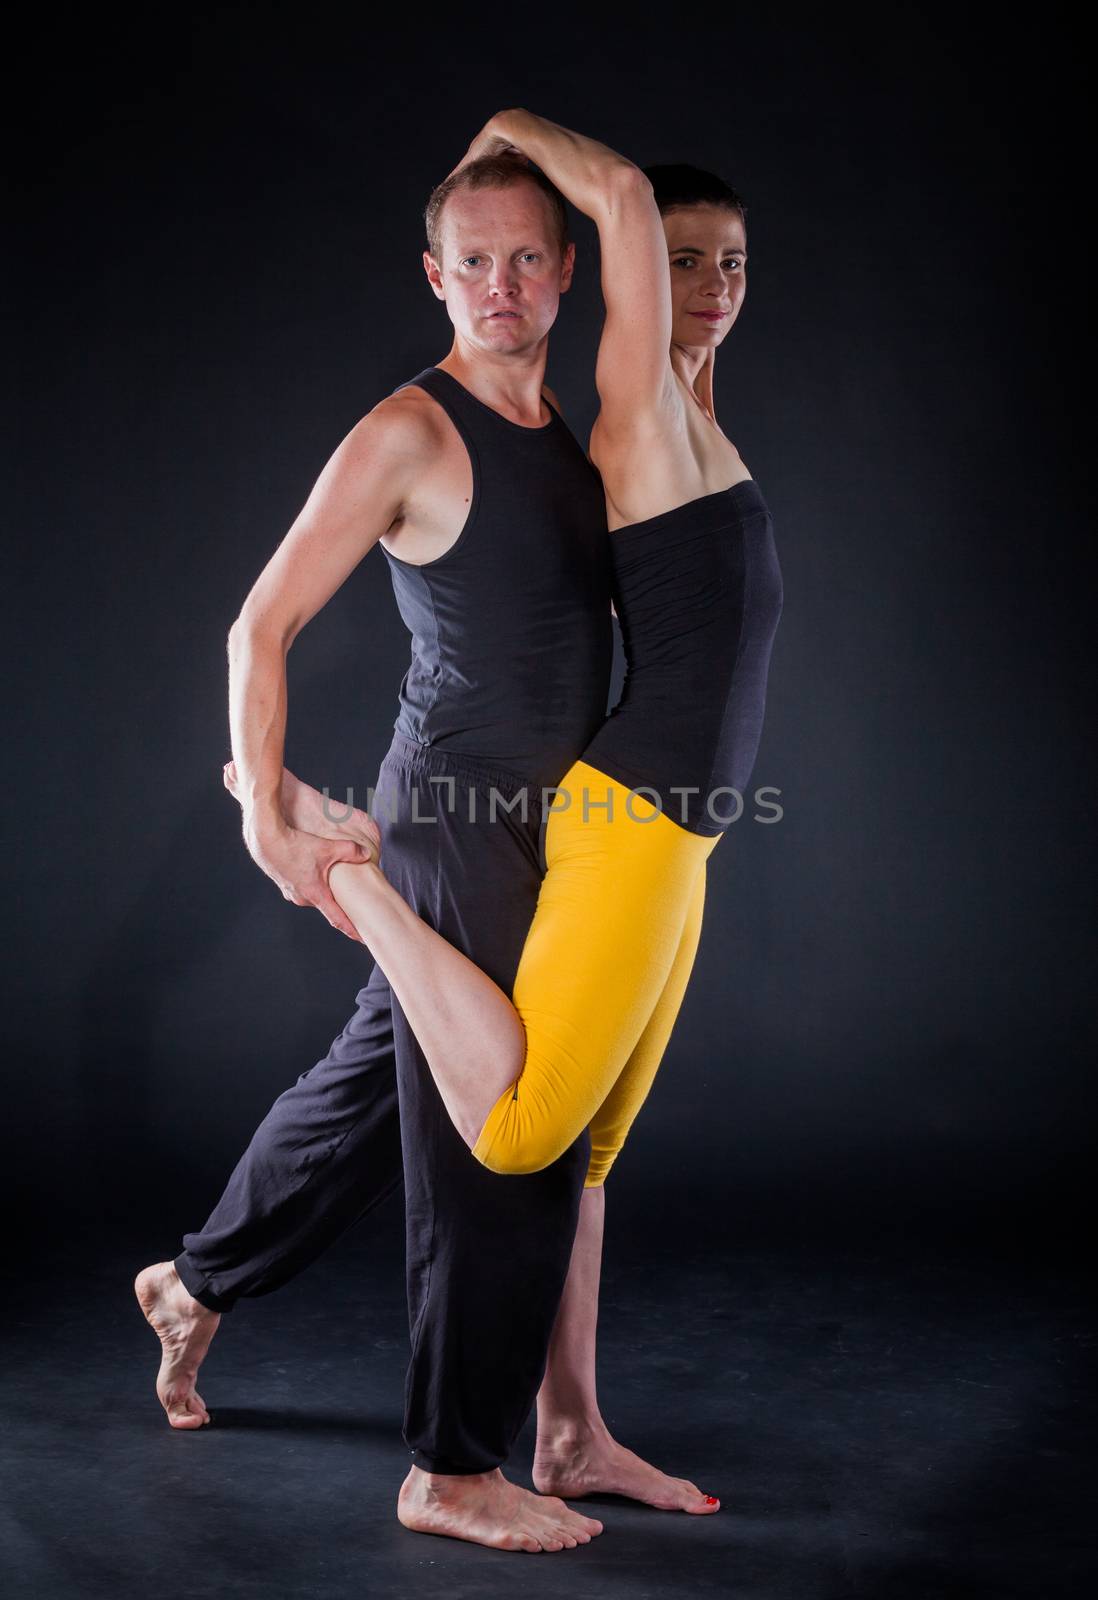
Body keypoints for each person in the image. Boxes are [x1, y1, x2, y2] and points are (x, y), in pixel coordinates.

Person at [136, 143, 716, 1559]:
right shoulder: (410, 428)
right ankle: (450, 1467)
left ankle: (195, 1279)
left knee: (374, 1082)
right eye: (474, 261)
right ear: (434, 274)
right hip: (452, 817)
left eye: (527, 257)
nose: (501, 285)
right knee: (495, 1132)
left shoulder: (564, 434)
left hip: (552, 823)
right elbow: (256, 624)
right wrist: (264, 808)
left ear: (565, 271)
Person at [308, 101, 783, 1391]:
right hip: (630, 816)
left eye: (731, 260)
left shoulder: (690, 411)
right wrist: (505, 128)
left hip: (677, 829)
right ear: (621, 269)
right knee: (519, 1135)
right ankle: (347, 880)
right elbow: (620, 194)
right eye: (677, 259)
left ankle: (572, 1429)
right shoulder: (635, 404)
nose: (708, 287)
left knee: (588, 1156)